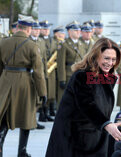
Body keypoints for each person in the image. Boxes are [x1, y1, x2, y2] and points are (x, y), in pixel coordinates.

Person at [46, 38, 121, 157]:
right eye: (106, 58)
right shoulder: (82, 76)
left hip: (95, 134)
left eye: (113, 59)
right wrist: (106, 124)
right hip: (74, 137)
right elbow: (87, 104)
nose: (110, 63)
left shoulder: (107, 77)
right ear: (95, 56)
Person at [0, 14, 47, 157]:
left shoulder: (3, 42)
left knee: (3, 117)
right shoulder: (32, 45)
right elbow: (38, 73)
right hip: (25, 84)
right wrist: (42, 93)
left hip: (5, 81)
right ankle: (22, 151)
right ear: (28, 29)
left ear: (18, 27)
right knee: (27, 117)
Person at [56, 21, 84, 108]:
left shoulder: (81, 44)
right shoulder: (64, 45)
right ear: (69, 32)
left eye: (79, 30)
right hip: (68, 75)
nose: (78, 32)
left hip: (79, 75)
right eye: (76, 30)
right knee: (66, 100)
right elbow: (61, 63)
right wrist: (62, 79)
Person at [39, 20, 58, 117]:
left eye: (47, 29)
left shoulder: (53, 40)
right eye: (44, 29)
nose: (46, 31)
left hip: (51, 69)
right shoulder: (39, 39)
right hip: (42, 68)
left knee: (51, 91)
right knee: (44, 90)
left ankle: (49, 111)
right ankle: (43, 112)